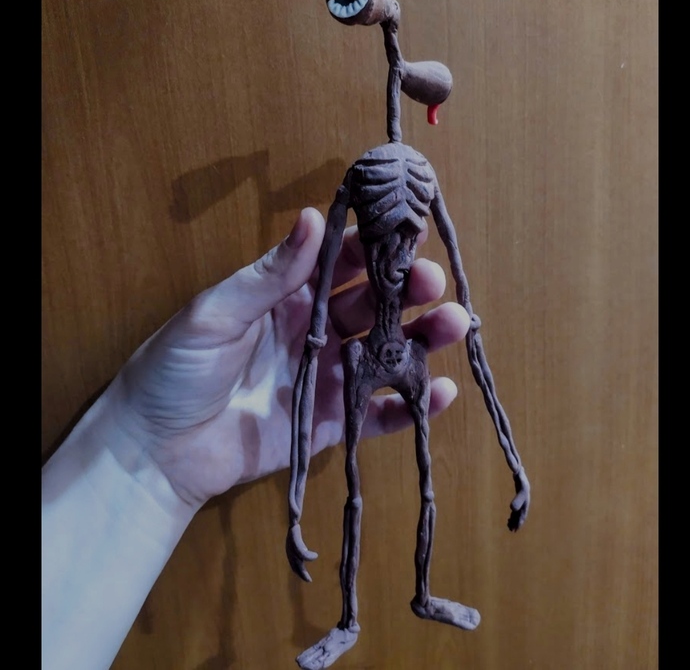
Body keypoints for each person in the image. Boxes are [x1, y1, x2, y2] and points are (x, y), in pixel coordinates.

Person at [41, 207, 471, 670]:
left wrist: (145, 447)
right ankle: (349, 620)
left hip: (400, 355)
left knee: (425, 473)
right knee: (355, 487)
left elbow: (446, 231)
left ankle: (422, 594)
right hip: (359, 358)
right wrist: (292, 515)